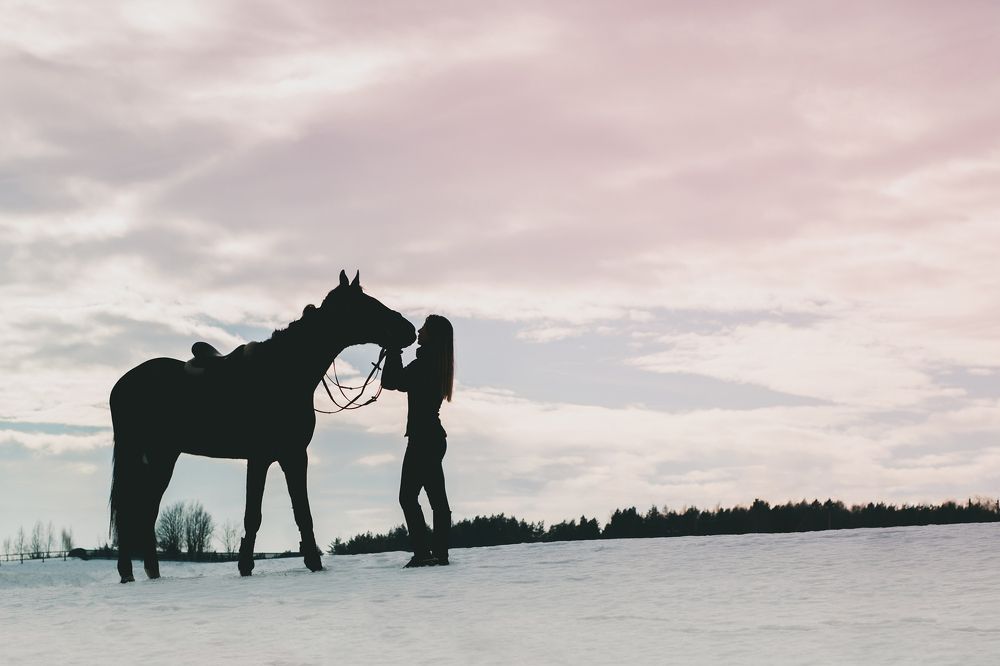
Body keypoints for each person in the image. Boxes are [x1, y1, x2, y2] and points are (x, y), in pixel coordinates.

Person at [381, 314, 454, 567]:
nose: (419, 331)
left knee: (408, 497)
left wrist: (393, 350)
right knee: (437, 500)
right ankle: (439, 553)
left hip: (422, 440)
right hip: (432, 438)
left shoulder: (424, 364)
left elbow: (392, 382)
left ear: (433, 335)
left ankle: (424, 553)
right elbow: (397, 382)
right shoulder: (435, 363)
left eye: (424, 328)